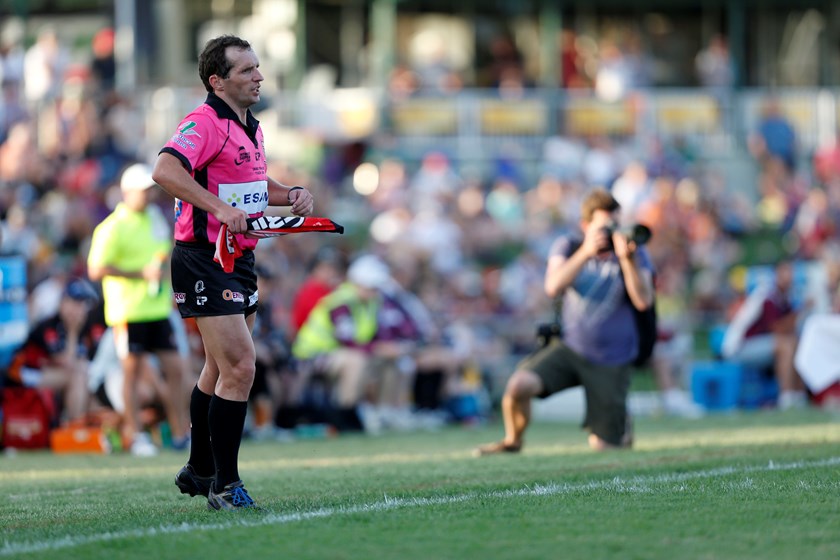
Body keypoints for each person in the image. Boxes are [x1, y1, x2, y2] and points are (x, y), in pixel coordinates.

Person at [151, 35, 314, 511]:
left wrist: (289, 193)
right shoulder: (203, 122)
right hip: (204, 258)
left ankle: (199, 468)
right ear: (217, 81)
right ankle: (225, 485)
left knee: (220, 368)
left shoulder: (250, 126)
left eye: (257, 67)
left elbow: (251, 183)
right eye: (246, 70)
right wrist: (219, 209)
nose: (259, 77)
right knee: (241, 367)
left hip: (239, 257)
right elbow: (165, 171)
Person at [475, 188, 654, 455]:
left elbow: (643, 301)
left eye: (616, 224)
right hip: (572, 347)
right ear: (586, 226)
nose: (612, 232)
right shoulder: (569, 246)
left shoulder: (634, 253)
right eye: (605, 226)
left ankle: (618, 421)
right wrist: (586, 252)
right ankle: (513, 441)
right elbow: (553, 286)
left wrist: (627, 260)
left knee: (605, 448)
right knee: (518, 386)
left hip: (612, 357)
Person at [87, 162, 191, 457]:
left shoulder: (154, 218)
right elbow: (96, 269)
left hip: (158, 310)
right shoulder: (112, 227)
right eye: (143, 190)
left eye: (150, 190)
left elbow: (163, 253)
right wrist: (140, 274)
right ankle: (136, 435)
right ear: (127, 192)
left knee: (177, 370)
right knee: (131, 375)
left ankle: (181, 433)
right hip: (128, 312)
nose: (149, 195)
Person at [3, 278, 103, 425]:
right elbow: (66, 363)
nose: (78, 309)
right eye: (74, 302)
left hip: (53, 373)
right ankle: (74, 426)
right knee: (77, 377)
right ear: (62, 303)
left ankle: (83, 427)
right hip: (23, 373)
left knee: (89, 382)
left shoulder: (88, 328)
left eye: (83, 304)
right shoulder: (50, 325)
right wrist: (72, 332)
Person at [721, 260, 806, 409]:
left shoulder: (786, 297)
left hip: (763, 345)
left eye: (790, 272)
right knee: (785, 346)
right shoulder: (767, 296)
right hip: (740, 348)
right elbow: (777, 329)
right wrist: (801, 311)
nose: (788, 276)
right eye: (785, 272)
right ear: (776, 275)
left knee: (797, 343)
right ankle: (786, 397)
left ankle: (798, 395)